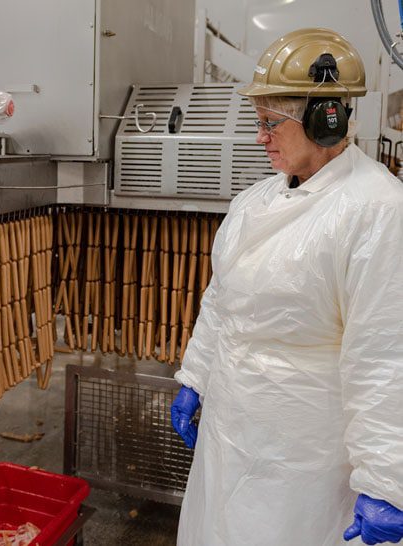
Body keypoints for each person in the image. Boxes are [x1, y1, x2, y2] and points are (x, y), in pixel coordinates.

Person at [171, 28, 403, 546]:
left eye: (272, 123)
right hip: (230, 433)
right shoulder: (255, 202)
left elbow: (385, 354)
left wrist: (387, 479)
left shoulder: (377, 210)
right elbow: (221, 301)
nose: (260, 138)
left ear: (327, 120)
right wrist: (197, 374)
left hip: (304, 461)